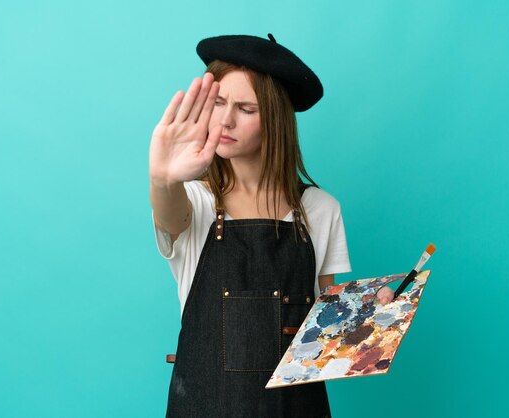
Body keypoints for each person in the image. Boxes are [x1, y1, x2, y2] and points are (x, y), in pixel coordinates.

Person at [149, 33, 394, 418]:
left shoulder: (321, 208)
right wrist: (163, 178)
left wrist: (373, 317)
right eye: (217, 103)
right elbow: (169, 214)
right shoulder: (195, 201)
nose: (226, 119)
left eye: (246, 109)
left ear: (275, 120)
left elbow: (326, 327)